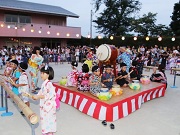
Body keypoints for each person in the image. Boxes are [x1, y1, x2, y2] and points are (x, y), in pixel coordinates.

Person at [24, 65, 56, 135]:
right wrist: (35, 96)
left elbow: (50, 95)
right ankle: (46, 132)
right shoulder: (44, 83)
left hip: (49, 108)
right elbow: (41, 93)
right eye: (41, 73)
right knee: (45, 121)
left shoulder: (49, 84)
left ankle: (49, 133)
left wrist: (38, 97)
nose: (41, 75)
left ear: (48, 75)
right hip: (44, 107)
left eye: (43, 73)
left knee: (49, 121)